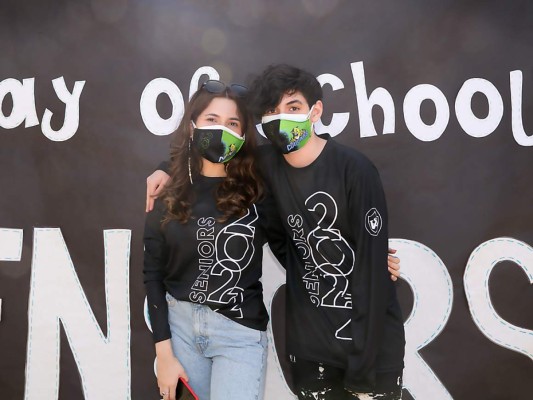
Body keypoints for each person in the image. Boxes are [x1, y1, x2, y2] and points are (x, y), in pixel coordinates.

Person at [146, 69, 404, 400]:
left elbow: (370, 274)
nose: (282, 119)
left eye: (293, 108)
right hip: (310, 350)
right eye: (271, 110)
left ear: (316, 111)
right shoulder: (264, 165)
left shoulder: (352, 169)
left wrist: (363, 376)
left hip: (368, 356)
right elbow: (208, 151)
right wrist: (165, 168)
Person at [143, 80, 286, 400]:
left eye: (232, 123)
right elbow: (152, 275)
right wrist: (164, 355)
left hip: (238, 335)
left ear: (243, 134)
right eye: (212, 119)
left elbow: (294, 252)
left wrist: (362, 263)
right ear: (192, 126)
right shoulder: (168, 191)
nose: (222, 130)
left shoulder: (257, 191)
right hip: (179, 331)